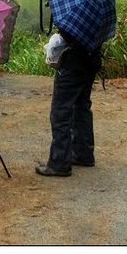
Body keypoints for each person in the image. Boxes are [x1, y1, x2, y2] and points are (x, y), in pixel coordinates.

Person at [36, 30, 101, 177]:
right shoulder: (96, 12)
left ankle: (59, 163)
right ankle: (83, 154)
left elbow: (69, 35)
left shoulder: (73, 16)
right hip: (92, 57)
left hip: (73, 61)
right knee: (82, 105)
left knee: (61, 111)